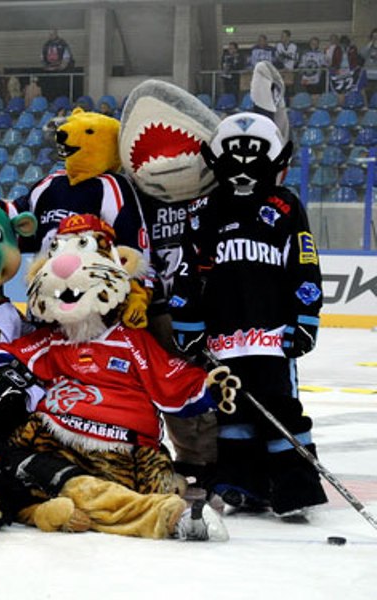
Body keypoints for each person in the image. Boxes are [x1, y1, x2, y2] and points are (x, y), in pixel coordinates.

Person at [170, 112, 327, 521]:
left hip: (273, 335)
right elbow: (187, 270)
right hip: (222, 337)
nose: (242, 169)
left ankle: (295, 487)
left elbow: (304, 263)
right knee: (231, 412)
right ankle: (243, 485)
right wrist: (187, 322)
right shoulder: (202, 210)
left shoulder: (285, 206)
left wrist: (305, 319)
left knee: (281, 409)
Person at [361, 28, 377, 100]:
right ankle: (367, 105)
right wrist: (371, 43)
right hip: (368, 75)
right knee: (367, 93)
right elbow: (362, 54)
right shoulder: (368, 47)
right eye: (374, 37)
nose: (376, 38)